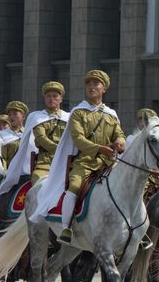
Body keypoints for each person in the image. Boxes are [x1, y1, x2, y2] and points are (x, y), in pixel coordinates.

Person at [54, 70, 125, 245]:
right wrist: (100, 148)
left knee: (128, 184)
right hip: (85, 162)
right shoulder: (78, 112)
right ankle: (66, 226)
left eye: (96, 84)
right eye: (89, 84)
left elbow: (119, 133)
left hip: (109, 163)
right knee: (75, 186)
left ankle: (136, 228)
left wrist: (120, 142)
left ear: (104, 89)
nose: (92, 87)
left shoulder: (111, 114)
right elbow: (78, 139)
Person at [0, 101, 28, 168]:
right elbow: (1, 157)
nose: (11, 117)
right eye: (9, 115)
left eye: (15, 114)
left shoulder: (29, 133)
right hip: (9, 173)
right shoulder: (1, 135)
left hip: (27, 174)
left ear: (23, 116)